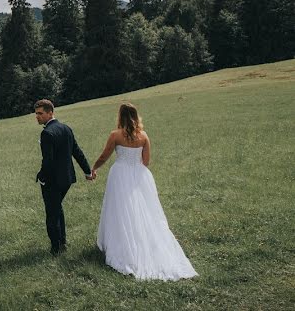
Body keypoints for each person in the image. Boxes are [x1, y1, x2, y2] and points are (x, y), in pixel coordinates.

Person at [91, 102, 198, 280]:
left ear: (120, 116)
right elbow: (146, 161)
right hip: (140, 175)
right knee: (143, 210)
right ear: (136, 116)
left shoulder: (115, 135)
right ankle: (142, 240)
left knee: (120, 208)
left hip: (120, 174)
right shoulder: (144, 136)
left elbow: (105, 155)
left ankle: (120, 243)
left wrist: (94, 168)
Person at [34, 99, 93, 255]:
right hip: (66, 179)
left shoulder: (46, 133)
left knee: (51, 214)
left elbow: (48, 161)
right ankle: (63, 242)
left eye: (40, 113)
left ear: (50, 113)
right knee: (57, 208)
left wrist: (41, 177)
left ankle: (56, 248)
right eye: (36, 114)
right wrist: (87, 171)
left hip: (52, 181)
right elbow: (77, 152)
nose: (37, 117)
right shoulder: (66, 128)